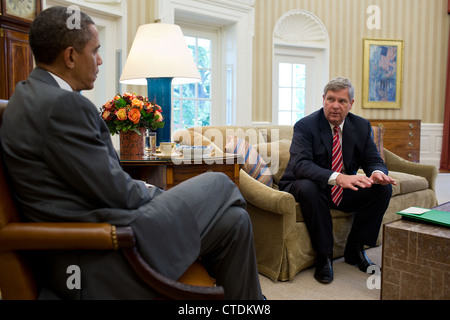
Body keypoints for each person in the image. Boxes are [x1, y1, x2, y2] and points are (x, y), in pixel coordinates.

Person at [0, 6, 263, 300]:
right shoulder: (63, 106)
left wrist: (152, 192)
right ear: (71, 56)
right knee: (220, 184)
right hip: (105, 251)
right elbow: (118, 193)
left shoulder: (25, 95)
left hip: (87, 239)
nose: (100, 60)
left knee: (235, 223)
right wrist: (161, 196)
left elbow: (93, 182)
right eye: (95, 51)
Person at [279, 77, 397, 284]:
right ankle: (324, 256)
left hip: (342, 188)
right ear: (323, 99)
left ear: (351, 104)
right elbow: (301, 165)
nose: (335, 105)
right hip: (305, 183)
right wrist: (337, 178)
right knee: (309, 188)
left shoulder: (361, 126)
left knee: (382, 190)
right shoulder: (306, 126)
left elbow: (373, 159)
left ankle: (355, 248)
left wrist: (378, 172)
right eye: (330, 99)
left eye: (342, 101)